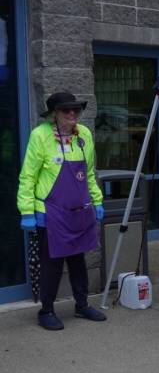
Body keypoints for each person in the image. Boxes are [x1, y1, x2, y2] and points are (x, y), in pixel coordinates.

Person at [17, 92, 106, 330]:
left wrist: (96, 201)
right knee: (52, 265)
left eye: (75, 110)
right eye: (66, 110)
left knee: (78, 261)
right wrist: (27, 211)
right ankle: (46, 310)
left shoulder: (84, 135)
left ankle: (82, 305)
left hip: (79, 212)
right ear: (54, 114)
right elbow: (28, 176)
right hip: (51, 212)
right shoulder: (41, 136)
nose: (72, 114)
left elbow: (88, 173)